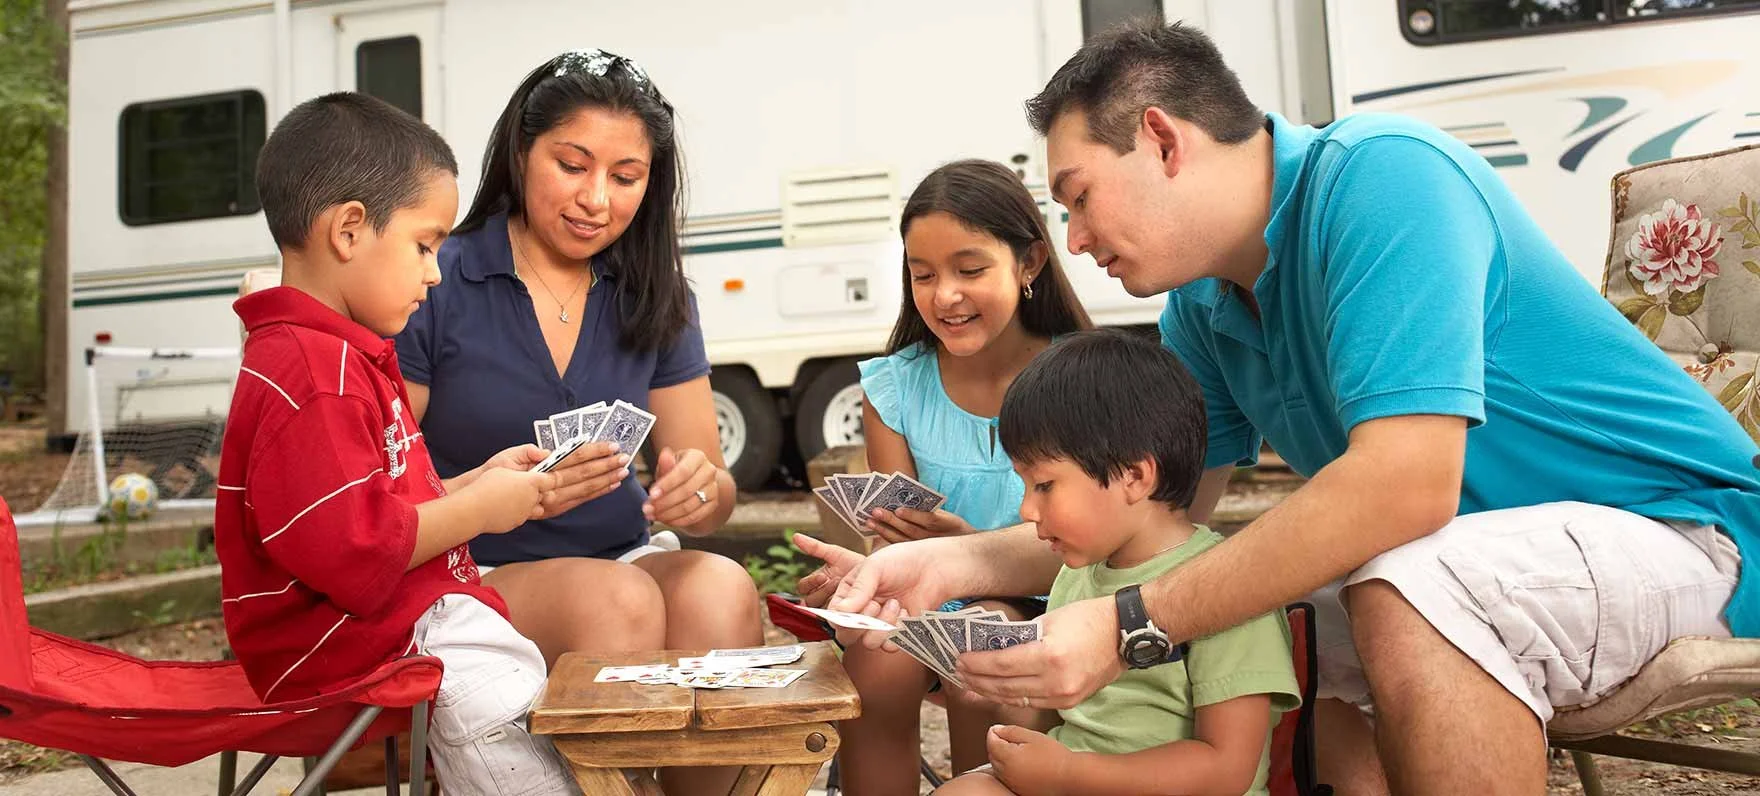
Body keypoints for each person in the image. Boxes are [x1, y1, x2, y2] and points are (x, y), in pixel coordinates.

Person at [798, 19, 1760, 795]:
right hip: (1473, 558)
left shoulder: (1384, 177)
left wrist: (1130, 622)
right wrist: (947, 562)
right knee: (1267, 616)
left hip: (1682, 532)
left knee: (1402, 580)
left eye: (1080, 198)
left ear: (1164, 139)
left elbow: (1407, 486)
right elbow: (1154, 515)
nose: (1079, 240)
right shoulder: (1205, 306)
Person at [395, 49, 760, 795]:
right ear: (521, 151)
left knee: (720, 586)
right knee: (617, 598)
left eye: (625, 178)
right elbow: (384, 481)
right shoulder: (440, 278)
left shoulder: (656, 292)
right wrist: (498, 493)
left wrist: (700, 488)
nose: (597, 198)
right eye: (573, 165)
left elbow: (712, 489)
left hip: (620, 552)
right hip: (467, 572)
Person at [215, 92, 577, 794]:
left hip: (371, 617)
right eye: (424, 245)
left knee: (503, 659)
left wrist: (472, 484)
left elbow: (365, 507)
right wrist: (482, 512)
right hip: (335, 640)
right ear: (349, 230)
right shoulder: (313, 372)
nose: (435, 272)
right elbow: (356, 549)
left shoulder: (336, 353)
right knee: (497, 685)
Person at [933, 330, 1300, 796]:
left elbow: (1227, 769)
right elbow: (1071, 720)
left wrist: (1067, 775)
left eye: (1043, 485)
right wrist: (1013, 699)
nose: (1026, 509)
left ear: (1134, 476)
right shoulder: (1076, 574)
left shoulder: (1223, 589)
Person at [836, 159, 1092, 792]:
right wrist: (867, 571)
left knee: (983, 649)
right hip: (924, 597)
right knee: (875, 665)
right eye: (922, 275)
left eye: (970, 270)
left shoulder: (1082, 376)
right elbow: (890, 539)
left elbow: (1100, 544)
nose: (944, 295)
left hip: (1059, 599)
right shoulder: (893, 388)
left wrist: (968, 547)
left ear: (1029, 263)